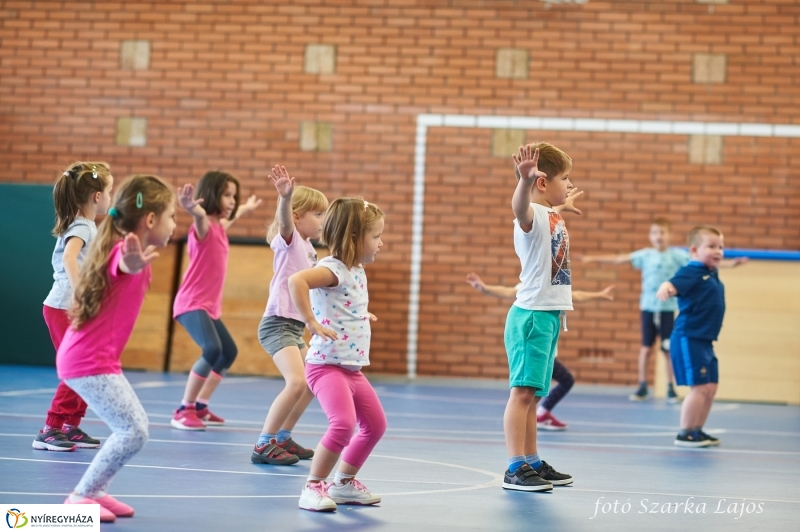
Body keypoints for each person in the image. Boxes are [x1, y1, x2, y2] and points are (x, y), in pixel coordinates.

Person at [58, 174, 176, 522]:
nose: (174, 225)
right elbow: (119, 267)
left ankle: (95, 491)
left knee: (132, 427)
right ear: (150, 220)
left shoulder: (128, 252)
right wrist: (129, 264)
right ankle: (81, 495)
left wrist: (132, 263)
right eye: (171, 216)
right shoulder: (122, 254)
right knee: (134, 430)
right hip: (87, 362)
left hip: (94, 360)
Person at [288, 197, 387, 512]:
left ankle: (343, 483)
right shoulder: (332, 268)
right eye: (376, 236)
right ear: (355, 238)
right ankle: (312, 487)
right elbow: (296, 280)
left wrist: (361, 315)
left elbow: (342, 303)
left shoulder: (355, 269)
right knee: (343, 424)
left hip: (351, 369)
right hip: (326, 367)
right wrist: (310, 321)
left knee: (375, 424)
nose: (381, 243)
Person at [579, 219, 746, 402]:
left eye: (663, 232)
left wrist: (731, 264)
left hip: (667, 308)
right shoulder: (645, 255)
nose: (659, 236)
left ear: (669, 236)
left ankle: (670, 387)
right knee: (646, 348)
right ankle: (642, 385)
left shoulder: (677, 256)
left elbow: (705, 261)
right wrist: (592, 258)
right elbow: (620, 259)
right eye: (655, 233)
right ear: (650, 236)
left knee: (667, 349)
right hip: (649, 307)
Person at [502, 142, 578, 492]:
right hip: (531, 316)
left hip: (547, 317)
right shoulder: (529, 213)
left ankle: (532, 460)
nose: (569, 182)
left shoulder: (550, 213)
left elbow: (546, 212)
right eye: (565, 178)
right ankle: (515, 467)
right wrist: (523, 180)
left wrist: (563, 205)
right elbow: (520, 209)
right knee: (522, 394)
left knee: (533, 395)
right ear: (543, 182)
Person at [170, 171, 261, 430]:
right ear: (211, 194)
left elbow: (234, 215)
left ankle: (201, 405)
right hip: (191, 303)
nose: (232, 201)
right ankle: (183, 408)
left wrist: (246, 208)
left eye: (234, 196)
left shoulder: (220, 227)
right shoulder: (204, 225)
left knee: (228, 352)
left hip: (208, 307)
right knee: (212, 349)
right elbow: (199, 217)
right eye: (226, 195)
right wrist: (190, 208)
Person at [465, 272, 614, 430]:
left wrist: (600, 295)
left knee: (544, 389)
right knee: (549, 386)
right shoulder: (531, 287)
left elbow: (576, 295)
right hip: (537, 349)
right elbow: (507, 292)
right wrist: (485, 288)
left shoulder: (555, 290)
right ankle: (541, 415)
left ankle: (541, 414)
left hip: (548, 351)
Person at [251, 166, 328, 465]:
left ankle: (283, 437)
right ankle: (263, 444)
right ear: (297, 217)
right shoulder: (291, 240)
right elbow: (284, 222)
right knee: (296, 382)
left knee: (311, 383)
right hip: (277, 324)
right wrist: (285, 198)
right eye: (318, 215)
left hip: (294, 327)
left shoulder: (310, 250)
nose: (322, 221)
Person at [34, 162, 113, 452]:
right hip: (63, 307)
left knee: (89, 367)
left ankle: (69, 424)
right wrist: (81, 294)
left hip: (72, 307)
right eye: (109, 191)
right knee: (78, 368)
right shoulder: (81, 226)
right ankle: (51, 428)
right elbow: (69, 258)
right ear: (96, 196)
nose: (110, 197)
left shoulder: (89, 225)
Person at [656, 226, 727, 448]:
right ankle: (685, 433)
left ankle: (697, 430)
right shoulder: (693, 270)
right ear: (695, 250)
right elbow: (674, 282)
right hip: (689, 337)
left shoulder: (711, 272)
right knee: (699, 387)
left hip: (705, 339)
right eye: (712, 246)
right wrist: (666, 287)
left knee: (710, 386)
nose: (718, 251)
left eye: (721, 247)